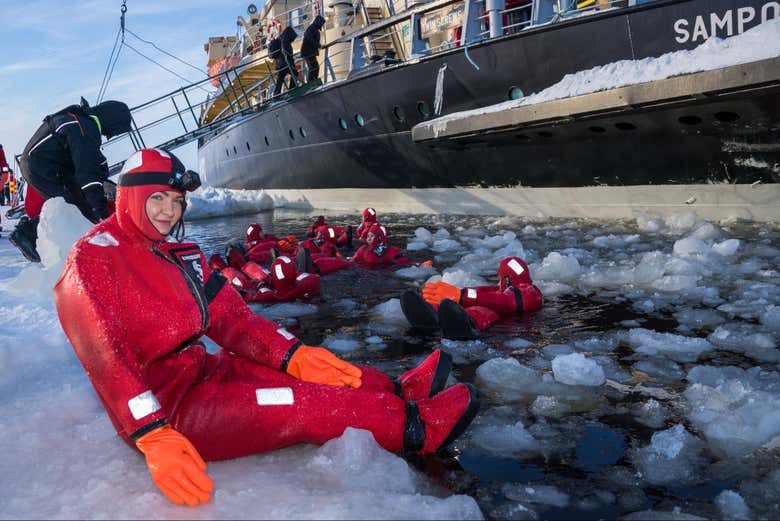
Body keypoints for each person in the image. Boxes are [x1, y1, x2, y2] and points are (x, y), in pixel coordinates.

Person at [53, 147, 479, 507]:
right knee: (298, 403)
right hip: (171, 410)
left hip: (203, 370)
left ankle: (393, 391)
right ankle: (415, 427)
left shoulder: (180, 252)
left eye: (176, 201)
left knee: (309, 373)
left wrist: (294, 354)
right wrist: (152, 433)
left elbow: (231, 318)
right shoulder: (93, 258)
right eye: (158, 199)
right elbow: (106, 359)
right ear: (131, 197)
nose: (169, 211)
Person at [9, 98, 132, 262]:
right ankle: (28, 234)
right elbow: (87, 176)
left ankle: (88, 247)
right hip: (42, 166)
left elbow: (84, 160)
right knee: (74, 208)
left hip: (41, 163)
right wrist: (101, 214)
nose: (110, 136)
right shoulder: (84, 128)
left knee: (77, 205)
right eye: (115, 131)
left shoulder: (79, 121)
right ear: (112, 121)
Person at [401, 257, 543, 340]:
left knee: (480, 309)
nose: (499, 282)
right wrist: (450, 296)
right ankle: (432, 313)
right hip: (500, 325)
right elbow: (485, 292)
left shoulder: (530, 293)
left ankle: (466, 325)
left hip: (505, 328)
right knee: (455, 305)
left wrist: (462, 296)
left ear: (507, 277)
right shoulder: (504, 290)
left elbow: (505, 301)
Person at [272, 26, 299, 96]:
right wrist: (290, 58)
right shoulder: (285, 40)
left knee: (280, 79)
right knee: (295, 73)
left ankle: (276, 94)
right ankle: (291, 89)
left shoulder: (280, 39)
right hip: (285, 63)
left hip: (280, 64)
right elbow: (286, 52)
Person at [300, 15, 325, 83]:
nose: (322, 25)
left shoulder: (314, 29)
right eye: (322, 23)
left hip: (309, 52)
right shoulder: (312, 28)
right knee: (314, 67)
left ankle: (312, 81)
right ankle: (311, 82)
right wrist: (319, 45)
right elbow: (309, 39)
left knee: (314, 67)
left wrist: (318, 45)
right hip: (308, 52)